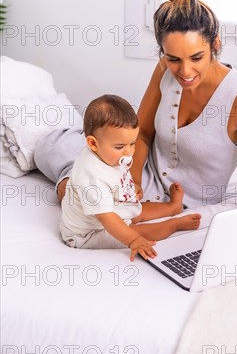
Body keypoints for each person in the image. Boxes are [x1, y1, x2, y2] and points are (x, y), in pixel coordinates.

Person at [35, 0, 237, 257]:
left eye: (196, 58)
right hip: (139, 176)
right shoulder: (164, 71)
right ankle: (73, 181)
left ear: (215, 45)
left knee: (76, 191)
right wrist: (133, 179)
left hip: (188, 202)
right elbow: (144, 132)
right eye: (173, 59)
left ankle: (69, 184)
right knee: (53, 145)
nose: (184, 72)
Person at [60, 94, 200, 261]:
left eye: (132, 143)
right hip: (89, 232)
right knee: (136, 230)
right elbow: (106, 217)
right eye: (120, 146)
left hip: (115, 207)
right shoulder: (90, 175)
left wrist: (131, 188)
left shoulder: (109, 154)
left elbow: (117, 178)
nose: (128, 151)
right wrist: (133, 240)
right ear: (93, 143)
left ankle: (172, 207)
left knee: (138, 210)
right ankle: (174, 224)